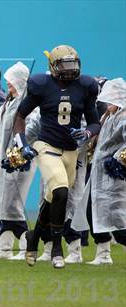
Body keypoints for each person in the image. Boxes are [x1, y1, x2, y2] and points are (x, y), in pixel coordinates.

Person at [13, 45, 101, 269]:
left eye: (73, 64)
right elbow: (20, 115)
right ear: (53, 66)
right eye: (64, 65)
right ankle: (56, 248)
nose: (70, 70)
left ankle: (34, 237)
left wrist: (88, 133)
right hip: (46, 145)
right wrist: (22, 144)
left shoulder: (86, 86)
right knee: (61, 190)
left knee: (55, 197)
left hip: (71, 150)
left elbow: (94, 121)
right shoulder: (41, 85)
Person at [73, 78, 126, 265]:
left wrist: (119, 160)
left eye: (111, 100)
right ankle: (103, 253)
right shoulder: (109, 116)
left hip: (113, 176)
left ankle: (105, 253)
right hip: (99, 173)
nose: (108, 104)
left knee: (116, 218)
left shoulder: (124, 118)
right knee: (92, 212)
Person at [0, 62, 36, 260]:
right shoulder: (9, 101)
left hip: (20, 161)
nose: (8, 85)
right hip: (5, 160)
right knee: (5, 205)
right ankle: (4, 248)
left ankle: (28, 246)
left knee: (14, 204)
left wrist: (17, 153)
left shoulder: (29, 104)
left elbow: (31, 129)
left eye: (12, 82)